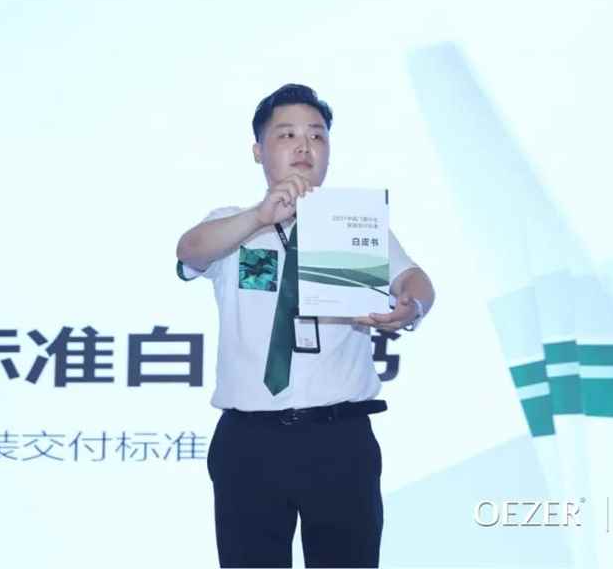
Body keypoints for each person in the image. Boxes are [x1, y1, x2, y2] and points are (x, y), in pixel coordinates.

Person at [176, 83, 435, 568]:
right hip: (249, 441)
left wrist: (412, 307)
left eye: (317, 136)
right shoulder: (233, 223)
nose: (304, 146)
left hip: (339, 438)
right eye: (287, 135)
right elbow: (189, 250)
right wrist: (260, 216)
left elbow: (414, 279)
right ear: (258, 150)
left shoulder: (354, 226)